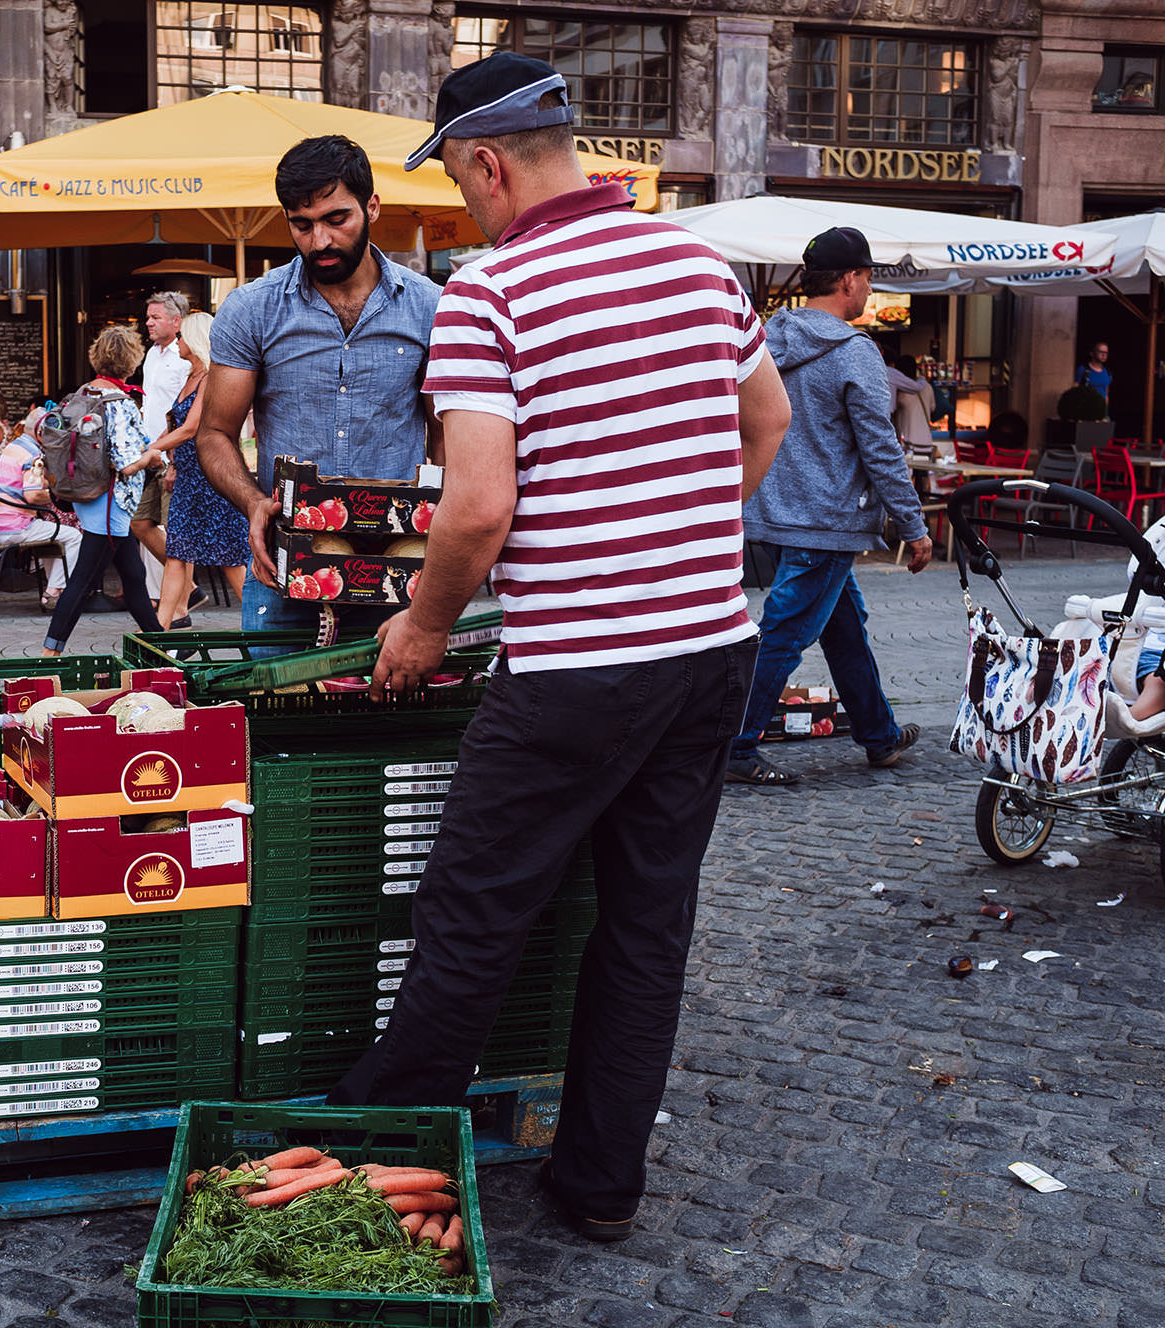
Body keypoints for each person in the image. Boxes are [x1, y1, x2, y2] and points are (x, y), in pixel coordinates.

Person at [321, 54, 793, 1249]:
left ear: (487, 163)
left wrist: (422, 623)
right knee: (645, 920)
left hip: (578, 664)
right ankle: (598, 1183)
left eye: (461, 182)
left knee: (473, 905)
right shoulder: (698, 263)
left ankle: (384, 1154)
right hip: (708, 650)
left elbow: (475, 508)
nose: (466, 205)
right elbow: (766, 420)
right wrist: (677, 533)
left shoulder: (492, 292)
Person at [196, 134, 444, 647]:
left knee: (391, 715)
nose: (320, 242)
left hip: (400, 561)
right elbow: (215, 432)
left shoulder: (430, 307)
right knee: (277, 712)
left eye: (337, 219)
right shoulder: (252, 309)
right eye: (302, 225)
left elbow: (445, 433)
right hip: (284, 559)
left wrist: (441, 513)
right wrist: (252, 502)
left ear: (372, 206)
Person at [727, 226, 930, 787]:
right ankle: (736, 747)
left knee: (844, 627)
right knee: (785, 634)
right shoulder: (854, 351)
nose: (869, 289)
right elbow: (881, 448)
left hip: (779, 510)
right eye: (867, 277)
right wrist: (914, 526)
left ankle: (879, 734)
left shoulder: (768, 338)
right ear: (848, 280)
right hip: (828, 520)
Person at [40, 325, 166, 654]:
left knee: (133, 573)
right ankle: (48, 654)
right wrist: (151, 456)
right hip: (112, 502)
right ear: (131, 360)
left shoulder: (83, 394)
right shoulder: (119, 403)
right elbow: (126, 464)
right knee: (82, 582)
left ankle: (160, 649)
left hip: (88, 496)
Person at [156, 312, 248, 626]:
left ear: (194, 340)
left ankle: (262, 624)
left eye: (181, 336)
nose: (177, 341)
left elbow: (190, 428)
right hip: (188, 478)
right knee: (177, 552)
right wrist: (165, 458)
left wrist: (147, 454)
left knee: (230, 559)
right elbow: (175, 424)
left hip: (212, 476)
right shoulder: (191, 377)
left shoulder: (210, 377)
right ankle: (162, 627)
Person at [0, 410, 83, 612]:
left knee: (53, 530)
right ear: (41, 433)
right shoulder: (33, 455)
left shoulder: (14, 446)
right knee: (74, 536)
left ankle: (52, 586)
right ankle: (54, 591)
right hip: (14, 526)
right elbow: (32, 496)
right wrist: (58, 495)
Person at [130, 294, 190, 598]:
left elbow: (187, 413)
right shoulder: (152, 354)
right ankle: (187, 589)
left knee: (172, 530)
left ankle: (169, 600)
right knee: (140, 523)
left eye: (155, 317)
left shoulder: (185, 358)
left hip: (171, 455)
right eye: (148, 317)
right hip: (149, 454)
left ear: (176, 321)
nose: (148, 322)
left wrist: (176, 460)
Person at [885, 355, 937, 449]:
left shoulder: (899, 392)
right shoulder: (928, 387)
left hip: (907, 445)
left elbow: (891, 411)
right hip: (927, 443)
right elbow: (933, 408)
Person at [1076, 340, 1113, 413]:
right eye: (1101, 352)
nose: (1104, 355)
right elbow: (1075, 391)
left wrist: (1105, 413)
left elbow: (1106, 394)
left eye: (1106, 353)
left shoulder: (1108, 372)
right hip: (1086, 411)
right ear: (1092, 353)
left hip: (1101, 413)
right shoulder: (1084, 369)